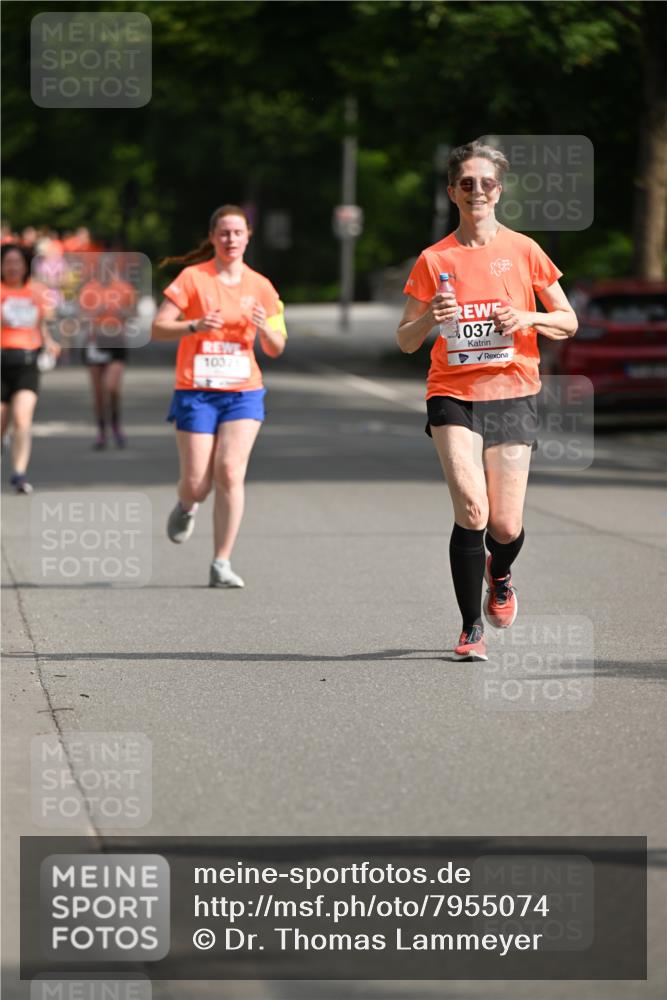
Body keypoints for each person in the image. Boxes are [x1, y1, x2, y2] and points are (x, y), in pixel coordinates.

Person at [397, 141, 577, 661]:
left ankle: (500, 573)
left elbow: (568, 321)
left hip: (513, 391)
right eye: (467, 183)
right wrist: (432, 315)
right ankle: (470, 627)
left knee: (505, 525)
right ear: (453, 191)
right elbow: (406, 340)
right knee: (472, 508)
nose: (478, 191)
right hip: (453, 393)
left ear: (500, 191)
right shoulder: (435, 260)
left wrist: (530, 318)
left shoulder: (524, 250)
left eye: (487, 183)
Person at [151, 204, 287, 588]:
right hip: (196, 390)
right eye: (223, 233)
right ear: (212, 237)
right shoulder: (192, 279)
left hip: (243, 392)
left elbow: (277, 347)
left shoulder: (262, 286)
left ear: (248, 237)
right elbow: (158, 327)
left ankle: (221, 561)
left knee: (230, 470)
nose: (230, 239)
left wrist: (265, 328)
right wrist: (193, 325)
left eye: (237, 233)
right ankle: (187, 503)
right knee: (197, 482)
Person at [1, 243, 61, 493]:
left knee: (22, 418)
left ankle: (18, 473)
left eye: (18, 262)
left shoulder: (36, 292)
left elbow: (42, 325)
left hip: (27, 362)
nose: (13, 267)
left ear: (25, 265)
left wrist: (49, 342)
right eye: (8, 262)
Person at [79, 256, 136, 449]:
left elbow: (133, 313)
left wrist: (122, 312)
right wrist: (96, 313)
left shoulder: (124, 288)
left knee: (112, 387)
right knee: (98, 393)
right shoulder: (89, 289)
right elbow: (81, 317)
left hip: (116, 341)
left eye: (110, 268)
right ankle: (102, 431)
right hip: (95, 341)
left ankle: (116, 424)